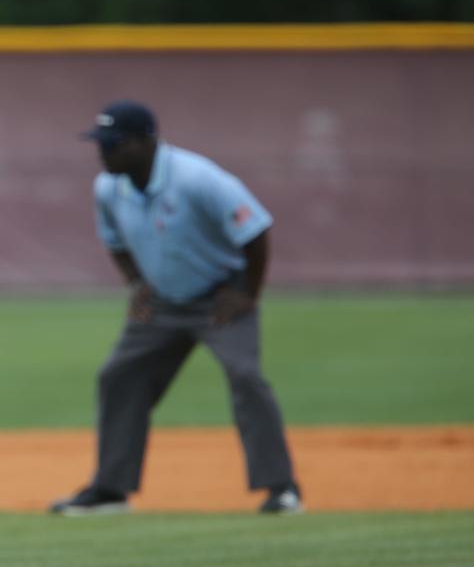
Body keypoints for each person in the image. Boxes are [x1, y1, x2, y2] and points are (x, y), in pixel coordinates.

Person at [49, 100, 302, 516]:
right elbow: (114, 240)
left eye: (113, 143)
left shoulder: (198, 179)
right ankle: (111, 491)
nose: (103, 152)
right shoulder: (109, 187)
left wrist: (247, 293)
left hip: (221, 300)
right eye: (101, 143)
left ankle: (283, 488)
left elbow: (255, 229)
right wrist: (136, 283)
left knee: (246, 376)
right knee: (119, 376)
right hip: (162, 305)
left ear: (145, 142)